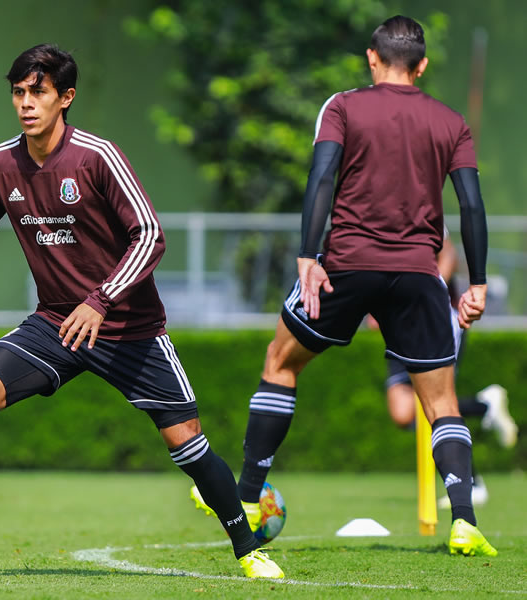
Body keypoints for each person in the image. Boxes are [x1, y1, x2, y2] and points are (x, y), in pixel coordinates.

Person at [0, 44, 284, 579]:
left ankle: (249, 549)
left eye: (39, 92)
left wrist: (100, 300)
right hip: (56, 323)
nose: (26, 103)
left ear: (66, 97)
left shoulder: (96, 157)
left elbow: (149, 235)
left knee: (189, 447)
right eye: (19, 92)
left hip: (131, 331)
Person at [195, 15, 498, 557]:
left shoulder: (342, 107)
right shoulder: (451, 121)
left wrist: (309, 256)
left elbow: (322, 179)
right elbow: (472, 207)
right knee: (442, 403)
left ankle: (244, 497)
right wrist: (474, 283)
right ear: (423, 65)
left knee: (280, 363)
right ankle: (465, 522)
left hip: (346, 266)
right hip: (418, 275)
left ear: (372, 58)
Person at [383, 234, 518, 508]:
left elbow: (448, 256)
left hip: (437, 316)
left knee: (435, 402)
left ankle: (469, 484)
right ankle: (483, 405)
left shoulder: (421, 205)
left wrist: (420, 292)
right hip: (399, 321)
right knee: (403, 413)